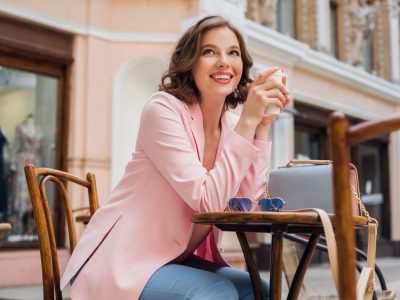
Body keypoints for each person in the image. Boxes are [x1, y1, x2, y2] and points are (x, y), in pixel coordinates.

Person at [61, 15, 290, 299]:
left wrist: (261, 127)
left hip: (174, 259)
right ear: (190, 62)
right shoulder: (162, 110)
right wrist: (248, 121)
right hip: (123, 262)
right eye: (209, 51)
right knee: (216, 293)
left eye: (233, 53)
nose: (223, 61)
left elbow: (246, 207)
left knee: (261, 292)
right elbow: (208, 201)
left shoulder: (231, 127)